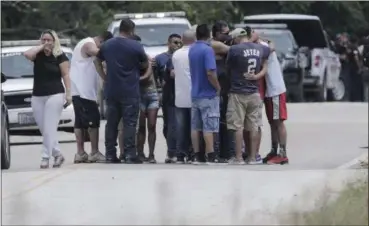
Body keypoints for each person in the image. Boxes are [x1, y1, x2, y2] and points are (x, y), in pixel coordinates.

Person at [94, 18, 149, 164]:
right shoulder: (136, 46)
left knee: (111, 123)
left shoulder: (107, 45)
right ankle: (130, 154)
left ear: (120, 29)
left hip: (112, 89)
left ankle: (110, 154)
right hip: (130, 89)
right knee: (129, 123)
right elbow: (144, 63)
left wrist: (104, 77)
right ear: (132, 30)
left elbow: (97, 60)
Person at [24, 29, 71, 169]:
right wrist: (41, 47)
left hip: (55, 93)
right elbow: (27, 54)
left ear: (54, 41)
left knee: (50, 126)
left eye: (49, 40)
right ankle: (58, 154)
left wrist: (69, 94)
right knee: (44, 128)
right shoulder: (37, 54)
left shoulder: (60, 56)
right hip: (38, 94)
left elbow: (66, 75)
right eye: (43, 40)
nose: (46, 42)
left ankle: (45, 157)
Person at [225, 28, 270, 165]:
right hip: (254, 91)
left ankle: (239, 158)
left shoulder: (234, 50)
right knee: (254, 126)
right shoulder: (260, 48)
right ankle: (252, 157)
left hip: (238, 92)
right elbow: (267, 58)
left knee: (238, 126)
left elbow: (228, 67)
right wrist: (256, 76)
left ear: (237, 38)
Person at [70, 31, 113, 164]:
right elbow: (97, 52)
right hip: (84, 92)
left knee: (80, 122)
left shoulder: (83, 42)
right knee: (93, 122)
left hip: (80, 90)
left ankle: (81, 153)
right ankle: (94, 152)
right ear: (102, 41)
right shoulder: (89, 43)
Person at [189, 24, 221, 165]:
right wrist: (218, 87)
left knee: (196, 127)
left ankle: (197, 155)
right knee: (209, 126)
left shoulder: (192, 49)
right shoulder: (208, 50)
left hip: (195, 93)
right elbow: (210, 72)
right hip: (208, 94)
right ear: (208, 34)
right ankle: (211, 155)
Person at [256, 34, 289, 165]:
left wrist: (270, 43)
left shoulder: (263, 47)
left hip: (275, 89)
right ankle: (274, 151)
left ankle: (283, 154)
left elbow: (270, 48)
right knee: (272, 123)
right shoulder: (264, 45)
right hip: (270, 90)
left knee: (278, 121)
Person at [168, 29, 196, 163]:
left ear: (183, 40)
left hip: (180, 96)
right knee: (194, 127)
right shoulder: (195, 52)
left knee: (180, 127)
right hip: (195, 95)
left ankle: (180, 154)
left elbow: (174, 73)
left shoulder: (176, 55)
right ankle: (192, 153)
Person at [130, 34, 159, 164]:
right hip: (139, 95)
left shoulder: (146, 58)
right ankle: (140, 152)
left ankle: (151, 154)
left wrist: (133, 79)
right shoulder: (129, 60)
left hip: (151, 94)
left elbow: (148, 75)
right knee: (141, 127)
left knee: (152, 125)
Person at [153, 34, 183, 144]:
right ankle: (171, 148)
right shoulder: (160, 58)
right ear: (168, 43)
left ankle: (176, 149)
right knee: (168, 124)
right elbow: (155, 77)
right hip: (167, 95)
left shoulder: (183, 56)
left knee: (179, 124)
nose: (178, 45)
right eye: (175, 42)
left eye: (180, 43)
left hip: (181, 94)